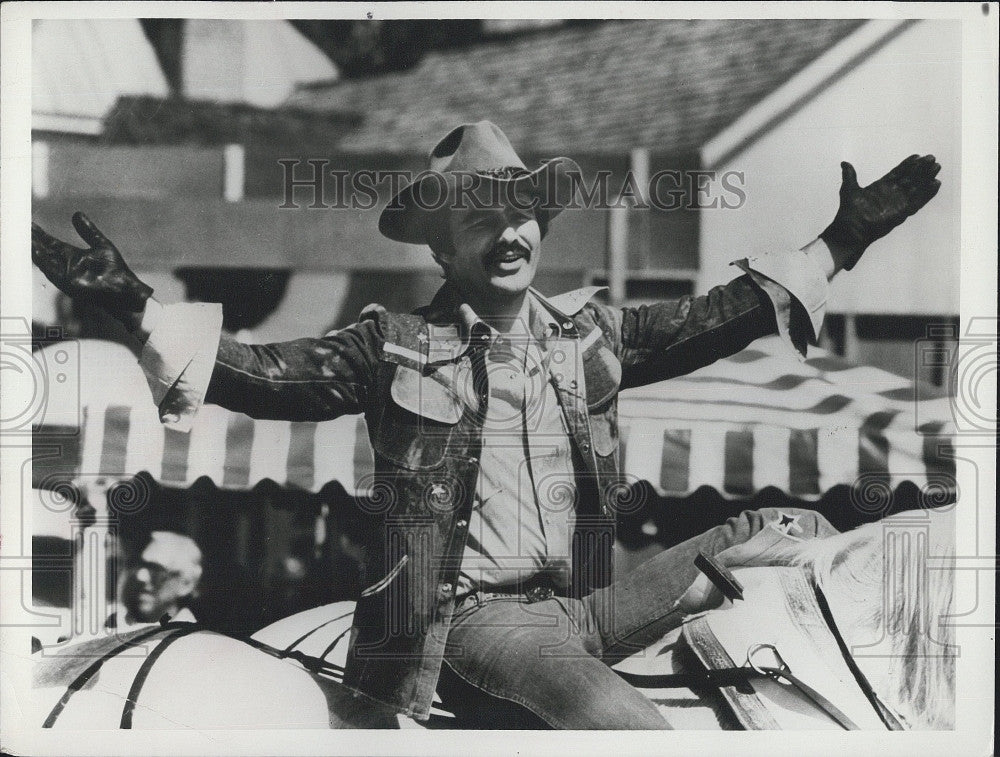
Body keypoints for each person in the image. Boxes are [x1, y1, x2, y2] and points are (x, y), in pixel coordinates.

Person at [32, 121, 941, 728]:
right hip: (465, 621)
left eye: (520, 215)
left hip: (584, 606)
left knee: (786, 531)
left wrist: (842, 240)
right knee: (634, 729)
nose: (508, 233)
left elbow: (722, 314)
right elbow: (267, 377)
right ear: (441, 246)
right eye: (481, 219)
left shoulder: (592, 332)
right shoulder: (393, 344)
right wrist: (141, 309)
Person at [107, 530, 202, 630]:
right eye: (141, 565)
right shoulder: (112, 623)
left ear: (186, 585)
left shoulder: (191, 640)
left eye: (156, 570)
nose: (141, 576)